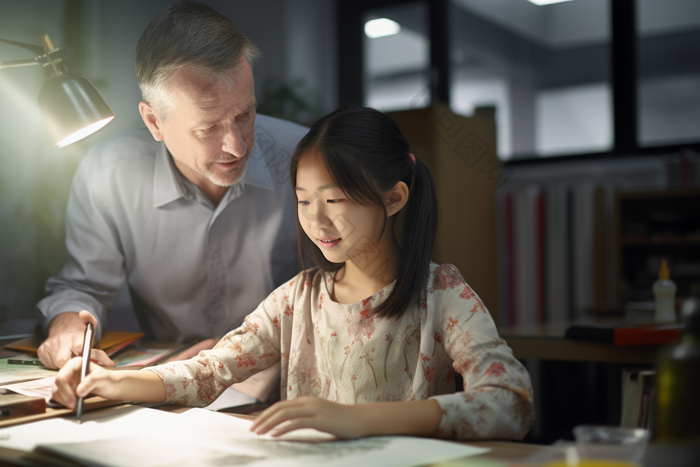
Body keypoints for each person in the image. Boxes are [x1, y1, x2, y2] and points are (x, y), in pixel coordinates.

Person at [53, 107, 535, 440]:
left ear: (394, 198)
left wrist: (359, 420)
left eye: (336, 200)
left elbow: (510, 403)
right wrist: (112, 384)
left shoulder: (442, 294)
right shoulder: (297, 298)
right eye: (304, 201)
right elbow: (211, 370)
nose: (317, 221)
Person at [35, 2, 307, 371]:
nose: (238, 146)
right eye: (208, 128)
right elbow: (85, 287)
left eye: (245, 115)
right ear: (154, 121)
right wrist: (67, 325)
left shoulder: (302, 158)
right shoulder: (109, 173)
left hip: (286, 373)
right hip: (168, 380)